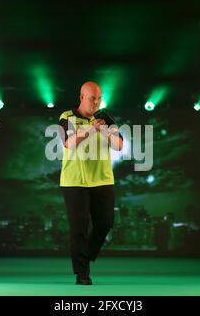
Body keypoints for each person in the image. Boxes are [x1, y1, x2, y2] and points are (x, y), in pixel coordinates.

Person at [58, 81, 123, 285]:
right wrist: (92, 130)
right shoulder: (66, 116)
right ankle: (82, 272)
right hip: (74, 181)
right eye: (92, 98)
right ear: (81, 97)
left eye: (99, 98)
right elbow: (68, 143)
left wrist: (106, 131)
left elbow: (119, 145)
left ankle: (87, 254)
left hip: (102, 179)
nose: (96, 102)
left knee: (105, 222)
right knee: (79, 227)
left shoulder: (105, 117)